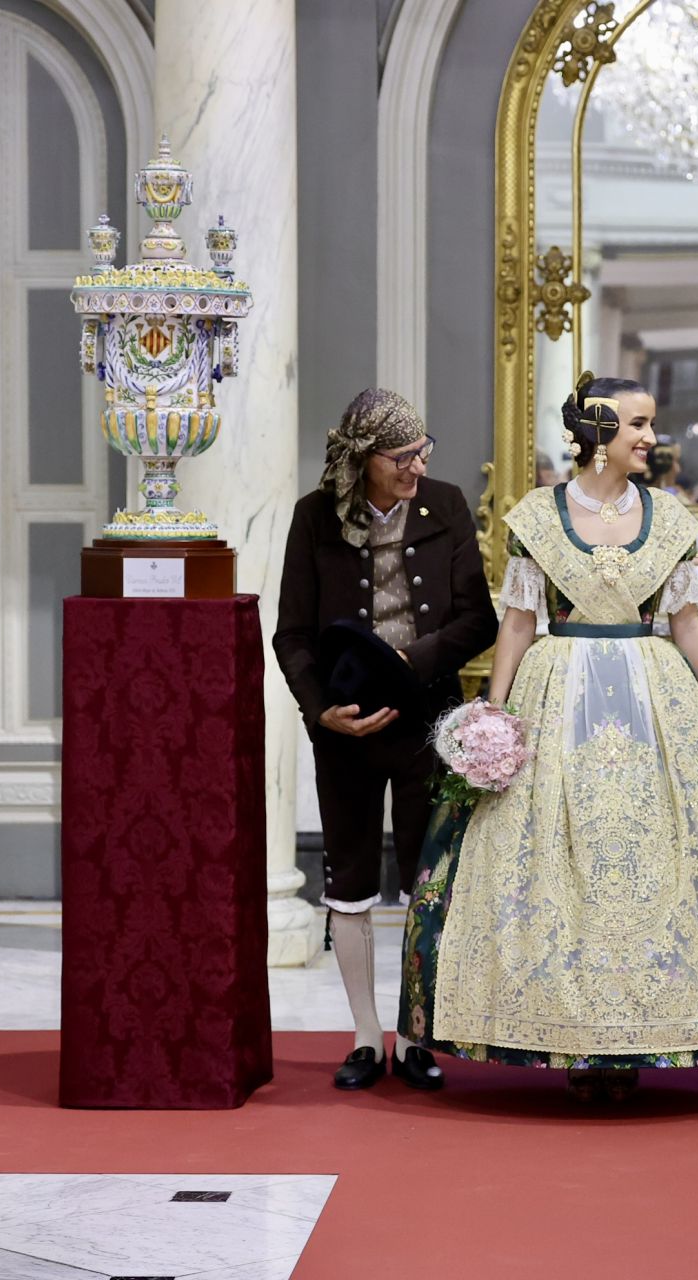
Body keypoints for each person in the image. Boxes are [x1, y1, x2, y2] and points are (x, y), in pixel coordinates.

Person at [400, 374, 698, 1101]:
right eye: (638, 424)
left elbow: (689, 622)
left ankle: (657, 1030)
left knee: (658, 857)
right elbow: (517, 621)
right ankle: (566, 1035)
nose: (650, 437)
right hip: (558, 686)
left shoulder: (669, 517)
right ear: (600, 432)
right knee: (551, 864)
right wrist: (493, 716)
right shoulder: (539, 517)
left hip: (653, 692)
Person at [273, 387, 497, 1092]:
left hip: (428, 722)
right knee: (351, 882)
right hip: (344, 729)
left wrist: (411, 664)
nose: (416, 465)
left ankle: (416, 1035)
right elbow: (293, 635)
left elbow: (477, 620)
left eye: (421, 450)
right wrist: (320, 713)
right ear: (363, 459)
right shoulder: (315, 519)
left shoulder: (448, 504)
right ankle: (367, 1038)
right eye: (402, 455)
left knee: (426, 884)